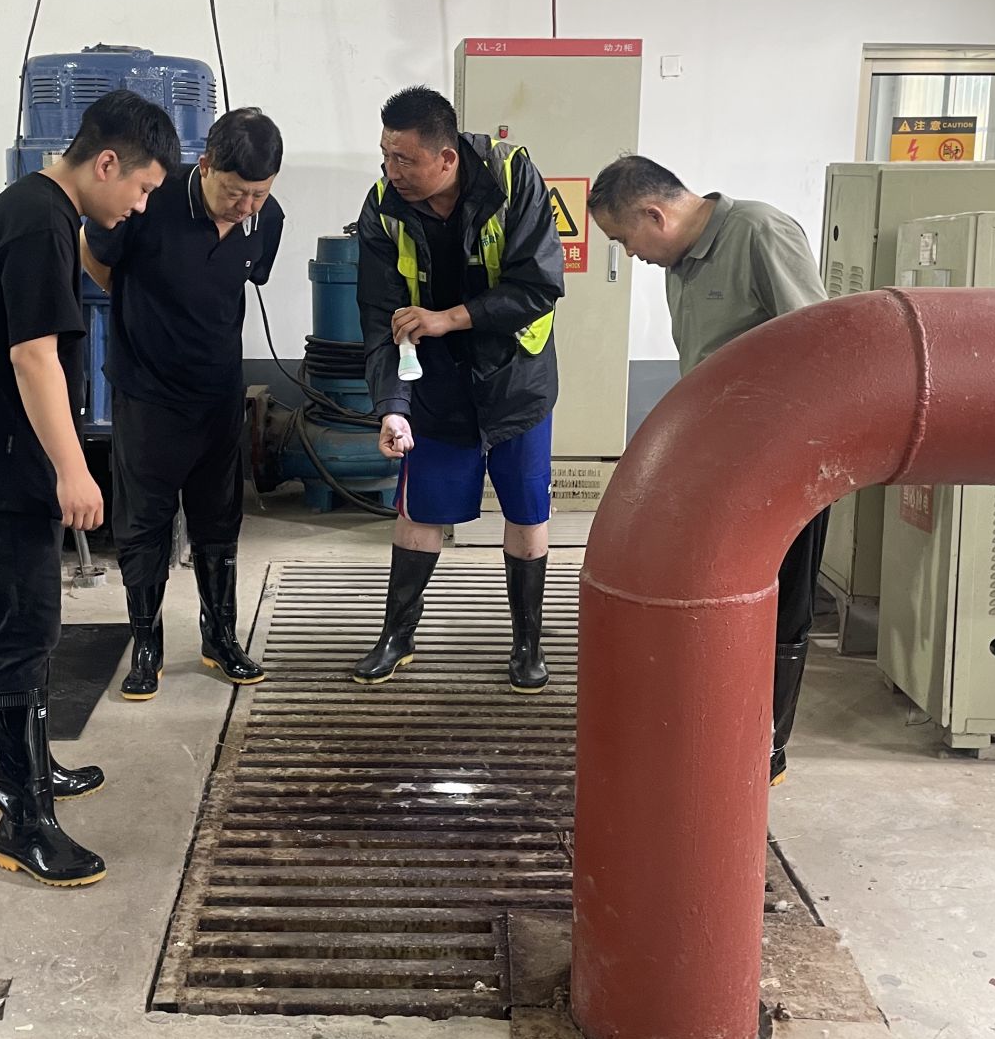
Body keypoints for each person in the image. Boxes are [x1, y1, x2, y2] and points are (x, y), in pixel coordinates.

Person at [0, 89, 182, 887]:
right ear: (106, 163)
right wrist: (74, 469)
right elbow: (33, 355)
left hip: (3, 460)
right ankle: (24, 821)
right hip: (5, 469)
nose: (141, 206)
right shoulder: (40, 220)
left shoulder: (38, 210)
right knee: (25, 634)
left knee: (30, 629)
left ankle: (27, 771)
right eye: (141, 187)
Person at [588, 154, 828, 786]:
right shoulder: (679, 265)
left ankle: (765, 751)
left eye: (624, 239)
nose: (629, 254)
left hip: (786, 464)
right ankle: (716, 726)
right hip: (723, 462)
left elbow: (820, 349)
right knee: (720, 594)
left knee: (782, 604)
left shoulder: (759, 233)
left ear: (654, 215)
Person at [352, 87, 564, 692]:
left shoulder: (512, 178)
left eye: (405, 160)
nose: (392, 172)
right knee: (419, 510)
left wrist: (449, 318)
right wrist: (392, 408)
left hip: (516, 378)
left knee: (526, 511)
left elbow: (538, 286)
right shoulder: (383, 207)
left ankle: (527, 644)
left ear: (446, 158)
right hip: (435, 382)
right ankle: (397, 637)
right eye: (386, 157)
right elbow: (380, 315)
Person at [81, 108, 286, 702]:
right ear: (206, 165)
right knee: (143, 525)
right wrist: (135, 303)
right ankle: (146, 647)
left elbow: (242, 277)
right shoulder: (151, 199)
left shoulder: (266, 216)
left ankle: (219, 637)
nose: (245, 206)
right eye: (235, 192)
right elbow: (92, 247)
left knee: (219, 522)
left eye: (258, 194)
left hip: (218, 393)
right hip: (148, 394)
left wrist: (255, 206)